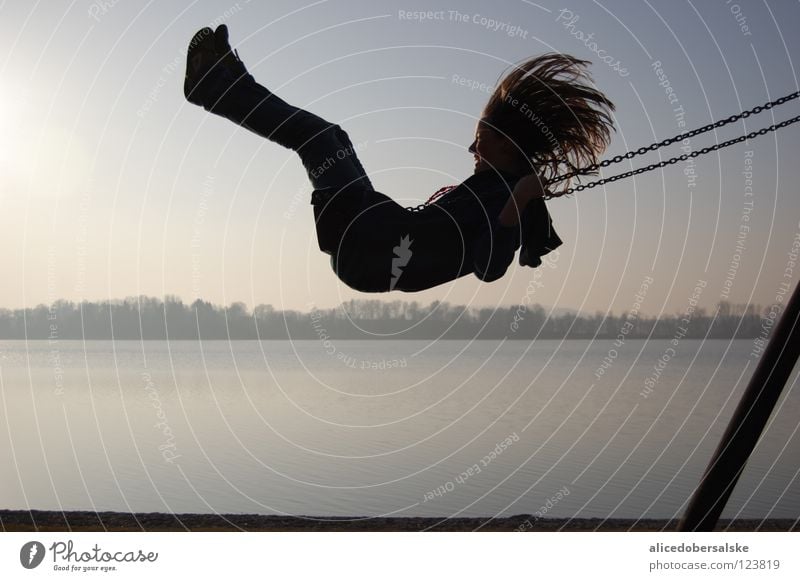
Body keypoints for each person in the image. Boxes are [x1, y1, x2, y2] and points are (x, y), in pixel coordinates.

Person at [183, 26, 615, 292]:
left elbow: (491, 267)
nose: (472, 151)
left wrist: (521, 197)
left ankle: (217, 85)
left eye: (480, 140)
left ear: (508, 146)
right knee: (326, 137)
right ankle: (224, 81)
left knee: (320, 139)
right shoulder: (500, 193)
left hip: (373, 246)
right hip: (373, 239)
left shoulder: (509, 200)